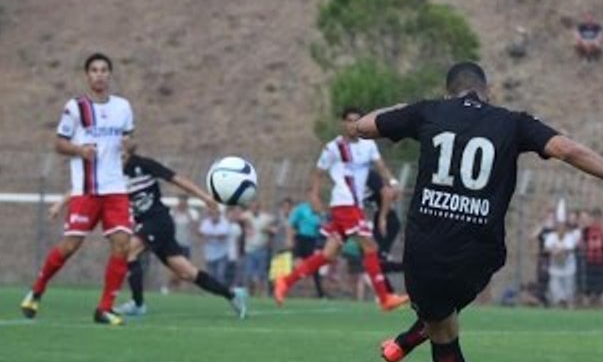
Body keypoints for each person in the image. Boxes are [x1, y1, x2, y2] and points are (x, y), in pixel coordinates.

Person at [356, 61, 603, 362]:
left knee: (442, 328)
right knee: (445, 313)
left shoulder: (429, 111)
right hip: (480, 253)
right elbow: (566, 148)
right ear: (489, 91)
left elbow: (363, 126)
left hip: (426, 249)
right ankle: (406, 342)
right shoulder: (512, 121)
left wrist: (403, 108)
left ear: (448, 91)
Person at [21, 53, 135, 326]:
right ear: (87, 75)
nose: (99, 74)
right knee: (71, 245)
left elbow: (129, 140)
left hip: (115, 189)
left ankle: (104, 308)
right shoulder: (75, 107)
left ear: (110, 74)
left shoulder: (123, 107)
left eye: (104, 70)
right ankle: (37, 290)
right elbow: (59, 144)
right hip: (86, 189)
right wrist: (80, 150)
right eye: (94, 70)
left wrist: (129, 149)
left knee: (123, 243)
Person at [274, 107, 408, 311]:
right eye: (349, 121)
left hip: (354, 206)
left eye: (357, 121)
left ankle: (285, 281)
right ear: (343, 123)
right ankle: (384, 298)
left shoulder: (368, 145)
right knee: (370, 247)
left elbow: (381, 167)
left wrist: (392, 181)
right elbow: (318, 173)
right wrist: (314, 196)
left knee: (328, 255)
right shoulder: (334, 147)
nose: (353, 125)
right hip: (344, 205)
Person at [102, 144, 247, 319]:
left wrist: (205, 197)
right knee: (187, 272)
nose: (119, 158)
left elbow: (177, 179)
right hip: (147, 225)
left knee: (129, 250)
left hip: (158, 221)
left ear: (128, 153)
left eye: (122, 154)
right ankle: (232, 295)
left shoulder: (145, 165)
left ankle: (138, 304)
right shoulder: (110, 175)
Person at [287, 196, 327, 299]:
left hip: (312, 240)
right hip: (301, 239)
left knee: (313, 267)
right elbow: (291, 224)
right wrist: (289, 239)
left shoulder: (319, 212)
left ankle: (320, 293)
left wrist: (319, 215)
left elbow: (323, 226)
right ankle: (285, 288)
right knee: (295, 264)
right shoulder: (301, 209)